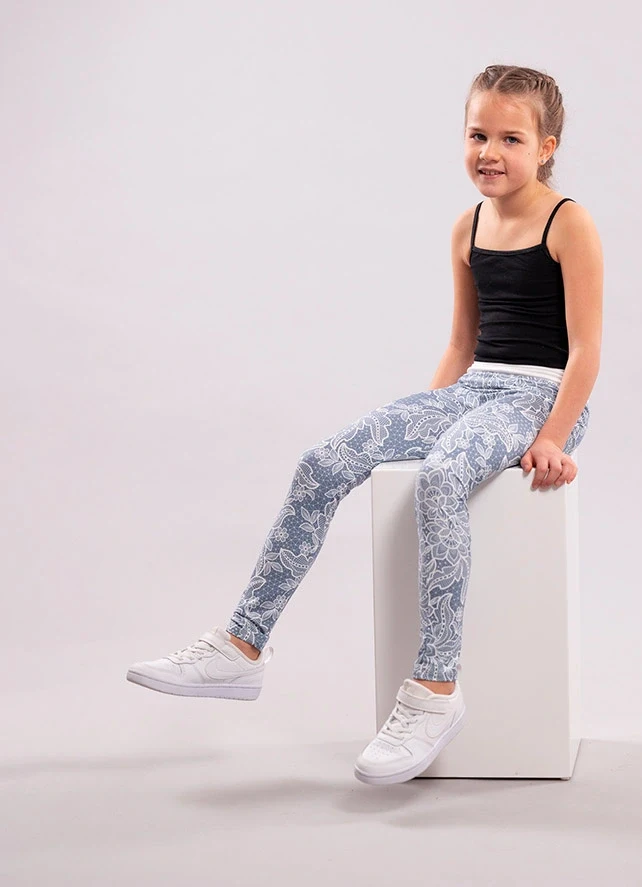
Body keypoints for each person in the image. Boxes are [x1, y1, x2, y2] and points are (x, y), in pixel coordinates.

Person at [126, 64, 603, 786]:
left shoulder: (568, 221)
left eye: (511, 138)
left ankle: (435, 690)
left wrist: (552, 436)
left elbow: (587, 350)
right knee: (323, 460)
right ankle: (242, 645)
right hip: (475, 389)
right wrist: (427, 417)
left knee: (443, 477)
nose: (489, 152)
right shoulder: (467, 227)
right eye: (477, 134)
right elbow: (460, 343)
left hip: (539, 397)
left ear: (546, 147)